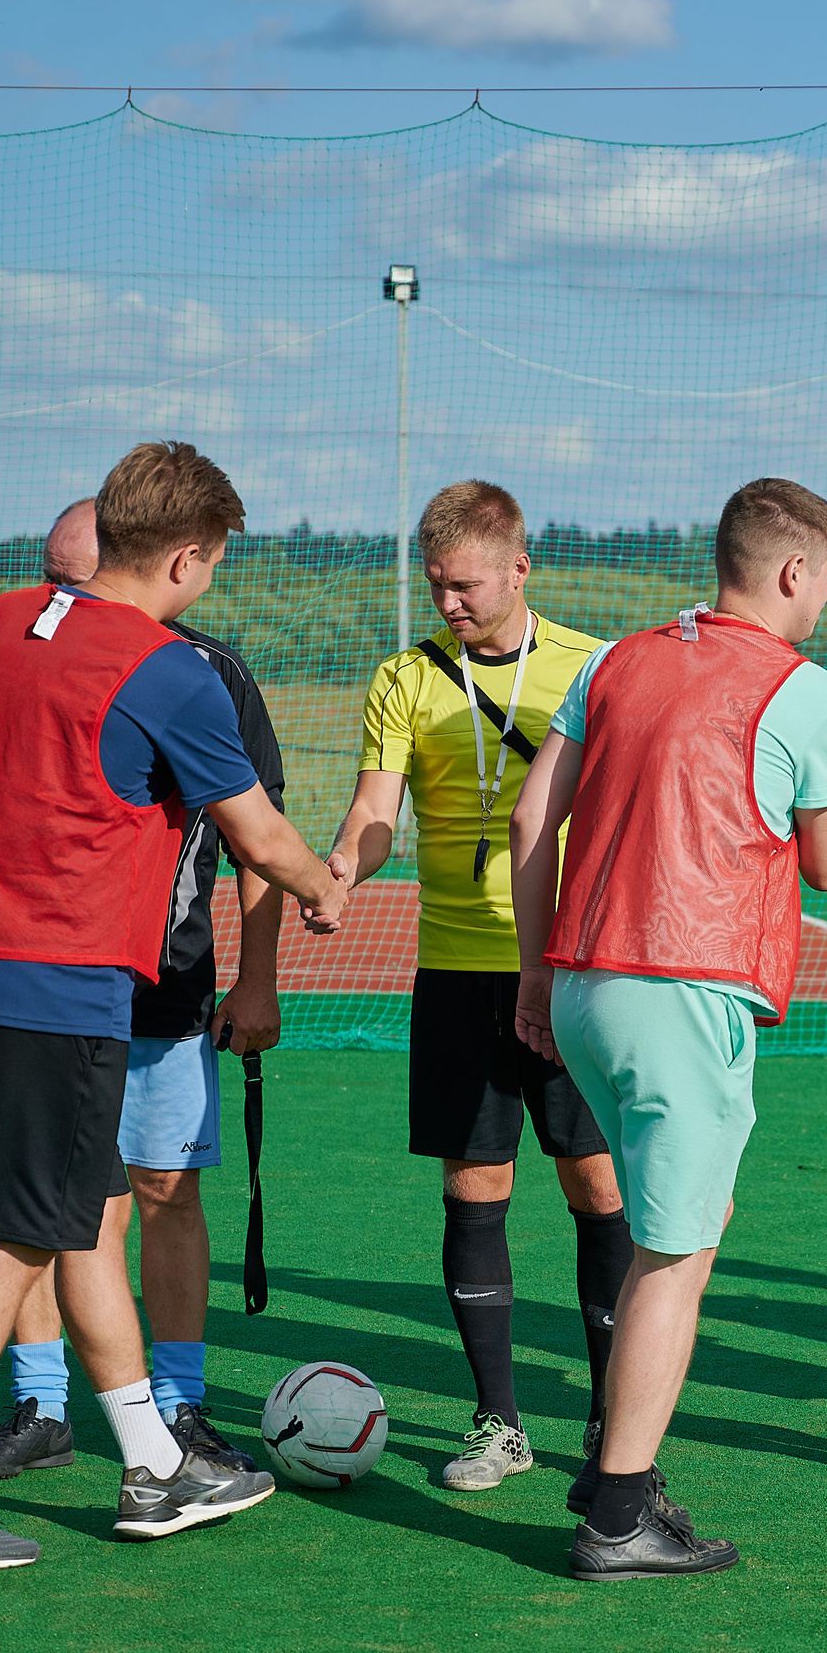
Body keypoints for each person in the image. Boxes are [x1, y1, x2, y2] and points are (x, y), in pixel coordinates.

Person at [0, 442, 350, 1569]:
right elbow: (258, 834)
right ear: (186, 556)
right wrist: (328, 887)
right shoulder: (169, 669)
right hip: (61, 987)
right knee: (21, 1234)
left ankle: (154, 1464)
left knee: (72, 1215)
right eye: (213, 561)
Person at [511, 477, 827, 1581]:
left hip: (581, 987)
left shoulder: (616, 658)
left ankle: (615, 1469)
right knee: (676, 1253)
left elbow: (533, 817)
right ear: (794, 572)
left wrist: (533, 975)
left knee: (664, 1233)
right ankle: (617, 1514)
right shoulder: (808, 691)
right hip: (685, 989)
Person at [322, 480, 631, 1494]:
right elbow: (376, 814)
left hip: (577, 967)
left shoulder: (592, 668)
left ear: (517, 568)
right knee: (474, 1186)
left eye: (462, 587)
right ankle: (498, 1423)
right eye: (435, 588)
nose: (447, 605)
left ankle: (607, 1414)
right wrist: (334, 875)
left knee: (598, 1185)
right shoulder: (404, 680)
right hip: (456, 971)